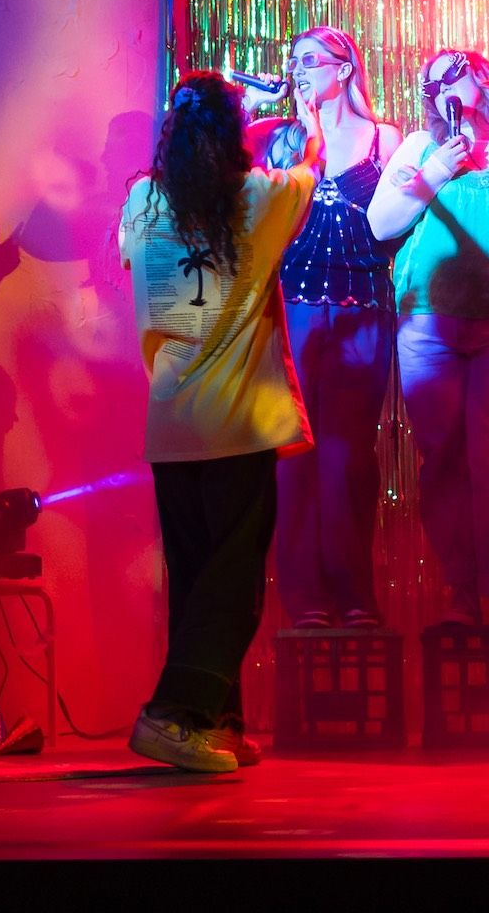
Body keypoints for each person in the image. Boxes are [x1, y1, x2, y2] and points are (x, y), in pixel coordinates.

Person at [119, 72, 314, 774]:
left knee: (198, 580)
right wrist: (299, 117)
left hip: (170, 432)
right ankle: (174, 713)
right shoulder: (257, 200)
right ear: (231, 144)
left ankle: (218, 721)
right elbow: (310, 158)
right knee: (230, 587)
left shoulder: (141, 203)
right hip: (237, 429)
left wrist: (232, 130)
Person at [368, 48, 489, 628]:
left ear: (483, 80)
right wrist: (432, 176)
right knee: (444, 459)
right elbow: (381, 224)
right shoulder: (416, 150)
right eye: (430, 82)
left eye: (452, 74)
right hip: (429, 324)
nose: (439, 87)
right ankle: (460, 592)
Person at [261, 27, 400, 630]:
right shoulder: (285, 141)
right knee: (294, 457)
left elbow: (397, 225)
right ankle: (305, 597)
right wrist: (306, 147)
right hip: (292, 307)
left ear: (344, 70)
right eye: (293, 62)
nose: (298, 71)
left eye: (310, 61)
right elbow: (266, 222)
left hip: (362, 305)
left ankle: (353, 594)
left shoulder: (386, 139)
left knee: (347, 456)